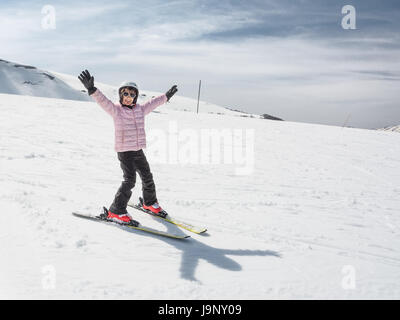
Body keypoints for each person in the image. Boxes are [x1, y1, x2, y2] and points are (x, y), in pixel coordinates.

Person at [78, 70, 178, 225]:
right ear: (121, 95)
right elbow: (103, 101)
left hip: (138, 149)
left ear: (135, 97)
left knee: (147, 176)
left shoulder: (140, 109)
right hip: (125, 151)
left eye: (132, 95)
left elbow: (152, 103)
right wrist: (92, 90)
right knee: (130, 180)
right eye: (126, 94)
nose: (129, 97)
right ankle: (116, 211)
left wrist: (166, 97)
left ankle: (150, 203)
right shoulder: (116, 110)